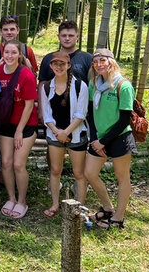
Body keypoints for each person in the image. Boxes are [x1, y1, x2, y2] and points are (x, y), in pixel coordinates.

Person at [84, 49, 137, 230]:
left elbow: (124, 120)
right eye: (96, 61)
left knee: (122, 178)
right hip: (98, 138)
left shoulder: (123, 86)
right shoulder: (94, 84)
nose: (99, 64)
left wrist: (104, 142)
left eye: (102, 60)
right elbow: (90, 114)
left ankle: (118, 217)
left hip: (120, 137)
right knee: (89, 173)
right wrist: (95, 139)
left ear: (111, 62)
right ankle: (107, 208)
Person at [40, 52, 89, 218]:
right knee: (55, 170)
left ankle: (80, 209)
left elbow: (81, 114)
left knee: (79, 173)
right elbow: (46, 115)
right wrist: (57, 132)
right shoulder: (46, 87)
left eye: (63, 64)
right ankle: (55, 204)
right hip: (54, 134)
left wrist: (66, 132)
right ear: (51, 66)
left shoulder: (80, 86)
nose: (59, 67)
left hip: (75, 134)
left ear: (69, 66)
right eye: (55, 64)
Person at [0, 40, 39, 219]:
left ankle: (22, 201)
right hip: (5, 124)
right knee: (5, 163)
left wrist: (20, 130)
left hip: (25, 125)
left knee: (18, 164)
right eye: (7, 52)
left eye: (14, 53)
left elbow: (29, 105)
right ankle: (11, 197)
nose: (10, 56)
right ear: (3, 54)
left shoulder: (26, 75)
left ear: (20, 55)